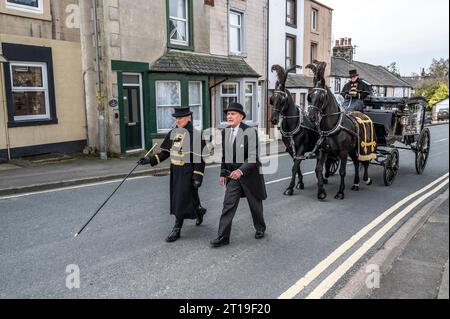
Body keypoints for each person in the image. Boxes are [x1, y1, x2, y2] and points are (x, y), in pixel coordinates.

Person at [139, 106, 206, 243]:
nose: (177, 121)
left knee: (180, 199)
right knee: (184, 196)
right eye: (176, 118)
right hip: (175, 171)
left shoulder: (196, 135)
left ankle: (177, 228)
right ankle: (199, 211)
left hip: (189, 170)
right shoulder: (173, 133)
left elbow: (200, 158)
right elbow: (165, 153)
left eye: (180, 118)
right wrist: (150, 160)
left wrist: (198, 176)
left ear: (188, 118)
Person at [210, 103, 267, 248]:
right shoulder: (225, 132)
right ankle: (223, 236)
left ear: (241, 117)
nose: (229, 116)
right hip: (233, 177)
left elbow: (253, 157)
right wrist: (223, 172)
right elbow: (225, 156)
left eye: (233, 114)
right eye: (228, 114)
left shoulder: (250, 132)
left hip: (250, 175)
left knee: (255, 206)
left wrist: (240, 171)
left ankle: (260, 228)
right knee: (228, 205)